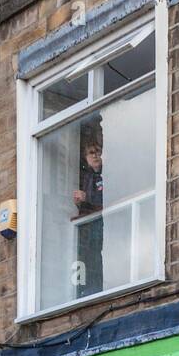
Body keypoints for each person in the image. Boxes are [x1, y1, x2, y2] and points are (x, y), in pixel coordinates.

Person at [72, 124, 104, 296]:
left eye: (98, 151)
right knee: (87, 256)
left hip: (101, 224)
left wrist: (87, 198)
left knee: (97, 257)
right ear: (85, 157)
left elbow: (107, 198)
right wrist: (79, 204)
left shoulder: (105, 174)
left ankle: (97, 287)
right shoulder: (87, 177)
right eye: (91, 152)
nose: (96, 156)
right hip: (88, 227)